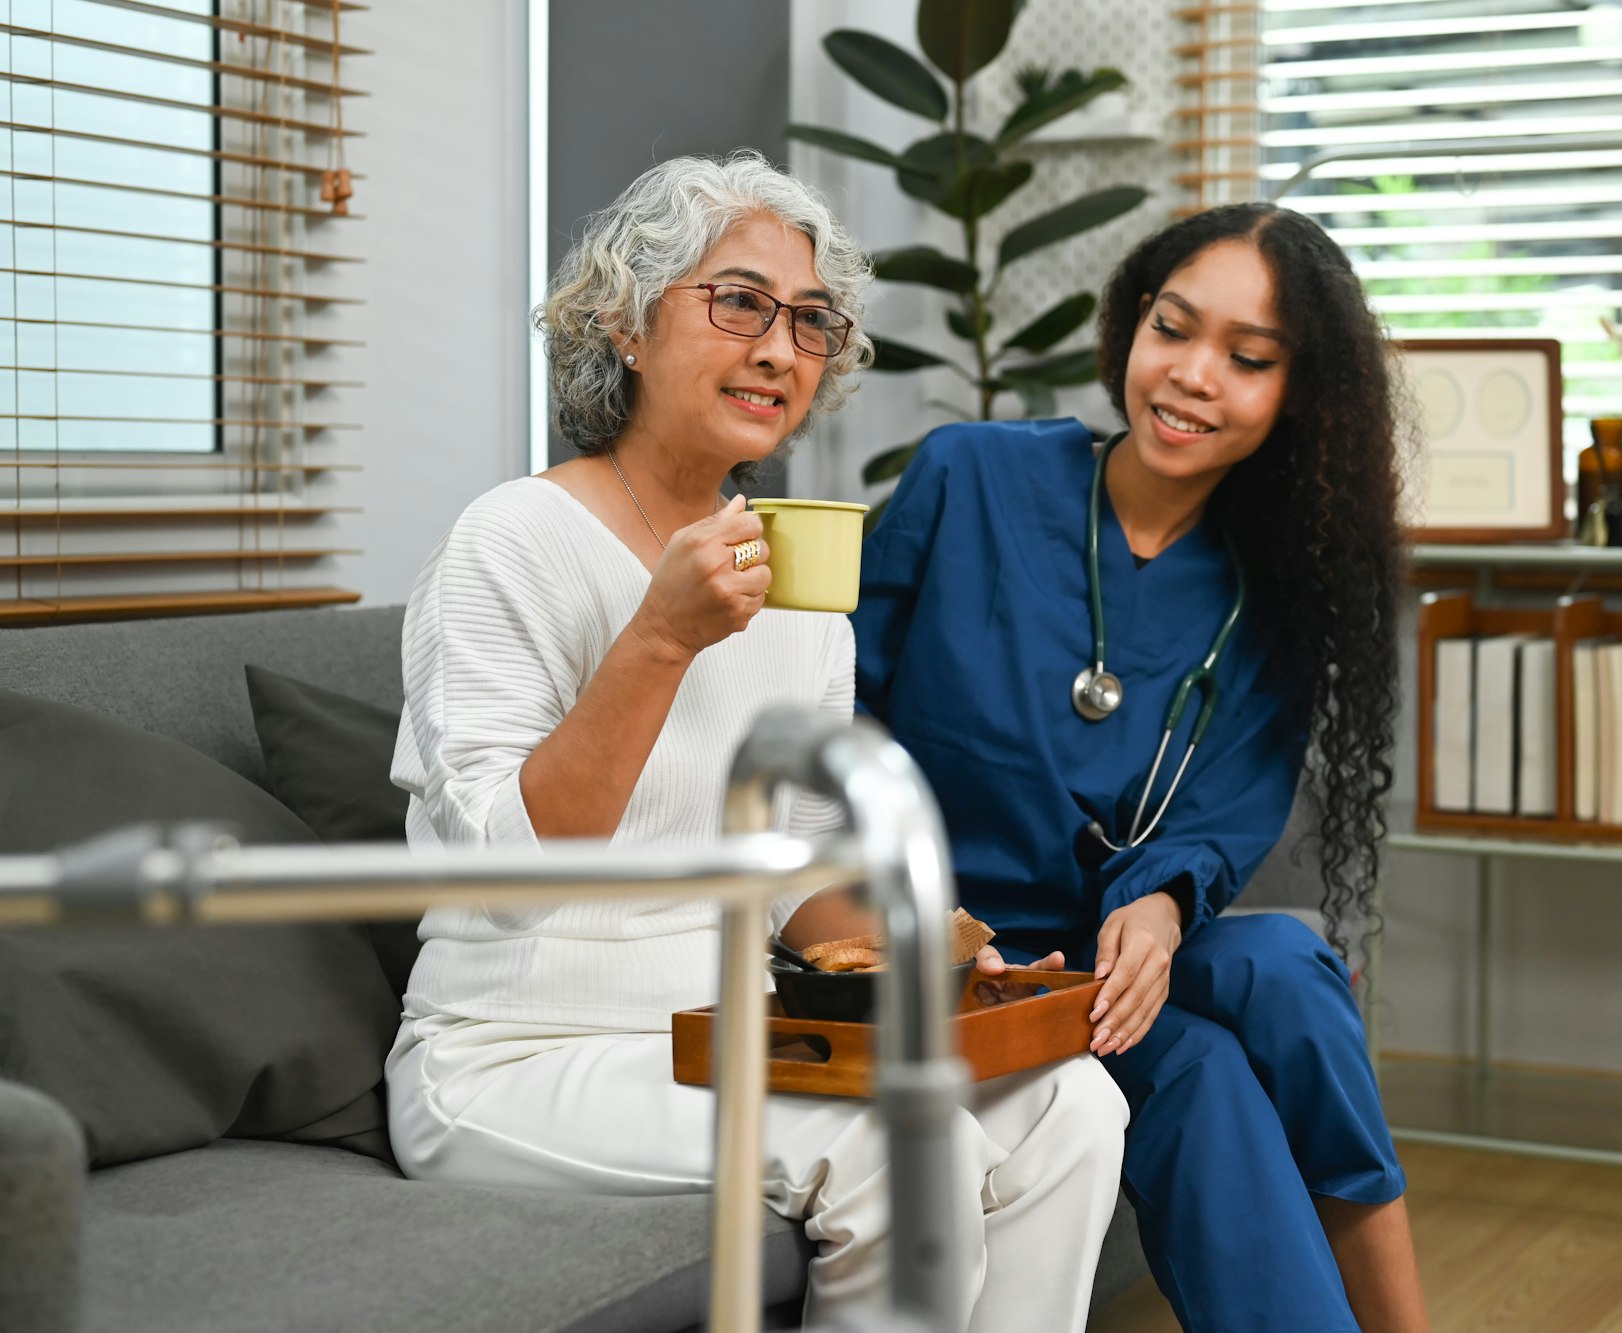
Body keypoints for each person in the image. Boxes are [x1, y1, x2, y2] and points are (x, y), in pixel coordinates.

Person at [382, 151, 1127, 1333]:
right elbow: (506, 871)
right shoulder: (509, 539)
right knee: (903, 1144)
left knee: (1072, 1103)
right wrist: (657, 640)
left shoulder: (796, 583)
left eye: (812, 321)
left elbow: (798, 884)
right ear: (625, 323)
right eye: (737, 302)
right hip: (521, 1053)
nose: (780, 348)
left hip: (732, 1035)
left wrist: (931, 962)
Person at [851, 202, 1430, 1332]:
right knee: (1206, 1072)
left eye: (1248, 359)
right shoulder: (966, 478)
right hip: (957, 947)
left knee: (1284, 974)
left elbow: (1218, 817)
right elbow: (835, 706)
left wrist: (1161, 909)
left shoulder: (1275, 593)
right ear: (1129, 325)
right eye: (1174, 328)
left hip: (1118, 953)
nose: (1193, 376)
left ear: (1294, 397)